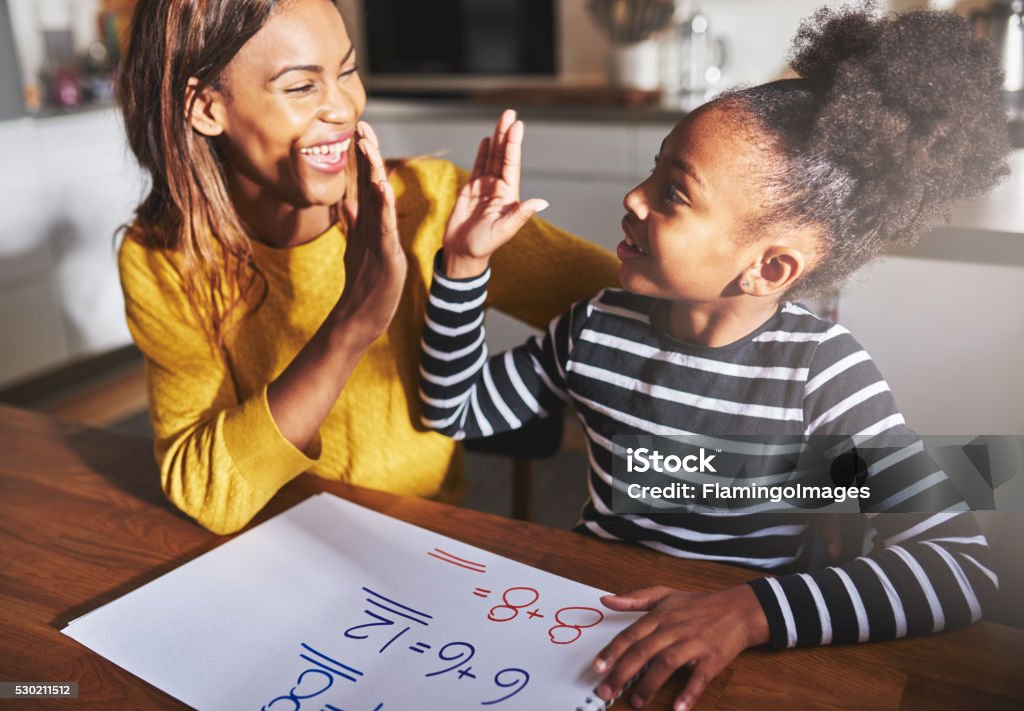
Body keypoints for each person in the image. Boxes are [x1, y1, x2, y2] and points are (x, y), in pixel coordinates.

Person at [419, 5, 1009, 710]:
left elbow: (955, 569)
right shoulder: (596, 328)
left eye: (674, 192)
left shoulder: (820, 373)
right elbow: (455, 410)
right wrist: (462, 266)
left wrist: (747, 611)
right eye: (653, 169)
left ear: (768, 268)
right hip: (591, 618)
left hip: (742, 650)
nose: (633, 198)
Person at [115, 0, 619, 535]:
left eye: (348, 71)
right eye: (301, 86)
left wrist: (695, 522)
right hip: (268, 540)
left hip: (425, 537)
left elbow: (663, 313)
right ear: (205, 107)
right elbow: (207, 492)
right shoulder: (164, 258)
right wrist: (351, 326)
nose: (344, 107)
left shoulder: (432, 204)